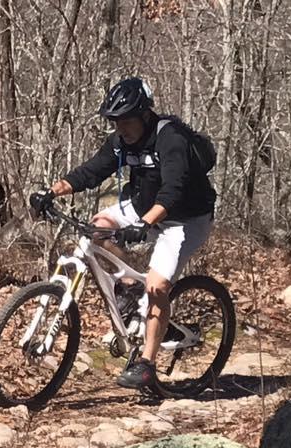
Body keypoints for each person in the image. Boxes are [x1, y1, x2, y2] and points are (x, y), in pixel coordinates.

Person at [30, 77, 216, 390]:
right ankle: (130, 290)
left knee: (157, 286)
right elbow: (92, 170)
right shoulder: (121, 140)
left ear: (144, 115)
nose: (121, 129)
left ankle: (146, 364)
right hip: (143, 205)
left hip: (185, 219)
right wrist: (52, 191)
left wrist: (145, 224)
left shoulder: (170, 138)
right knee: (98, 228)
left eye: (125, 121)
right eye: (115, 122)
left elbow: (173, 191)